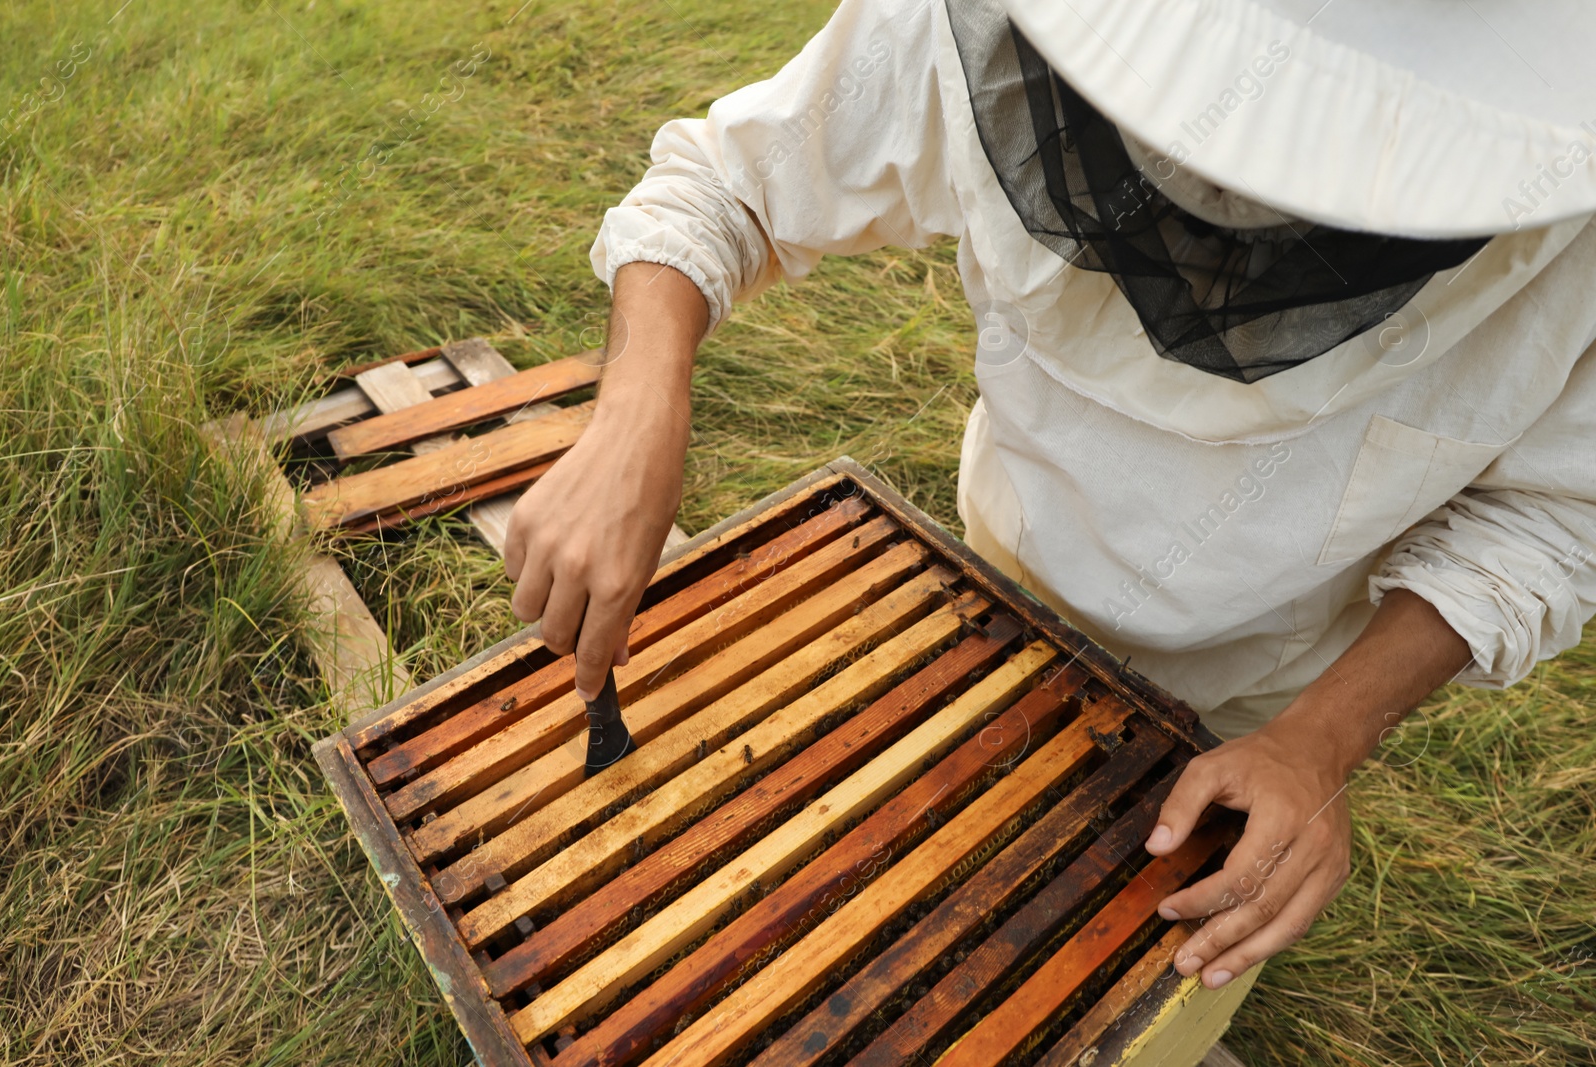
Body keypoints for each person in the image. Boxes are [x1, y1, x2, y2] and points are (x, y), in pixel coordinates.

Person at [503, 0, 1596, 996]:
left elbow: (1554, 514)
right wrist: (637, 408)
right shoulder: (981, 21)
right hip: (987, 585)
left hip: (1259, 696)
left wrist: (1322, 738)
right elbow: (730, 181)